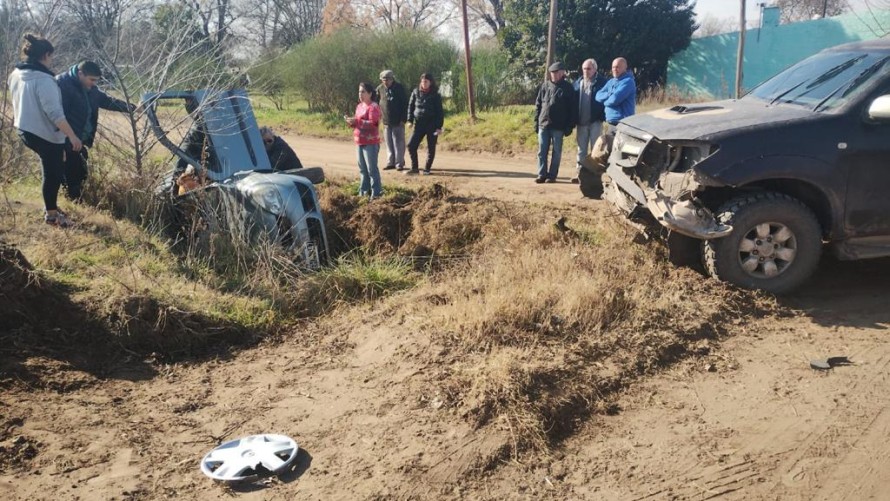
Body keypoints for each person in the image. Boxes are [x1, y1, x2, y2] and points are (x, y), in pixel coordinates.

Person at [8, 34, 82, 227]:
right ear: (46, 55)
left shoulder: (15, 74)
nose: (52, 61)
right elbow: (55, 114)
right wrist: (72, 136)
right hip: (44, 133)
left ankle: (51, 207)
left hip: (24, 129)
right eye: (51, 56)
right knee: (54, 173)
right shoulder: (44, 80)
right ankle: (52, 216)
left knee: (52, 166)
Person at [56, 60, 137, 201]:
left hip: (81, 140)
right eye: (91, 80)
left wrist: (132, 108)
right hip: (66, 140)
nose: (93, 83)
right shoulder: (62, 84)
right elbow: (56, 116)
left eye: (96, 81)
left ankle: (78, 203)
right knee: (70, 178)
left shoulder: (91, 88)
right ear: (80, 73)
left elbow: (107, 101)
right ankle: (71, 205)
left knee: (82, 176)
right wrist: (61, 143)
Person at [534, 62, 577, 184]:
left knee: (556, 152)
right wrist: (536, 121)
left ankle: (552, 176)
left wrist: (570, 125)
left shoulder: (568, 88)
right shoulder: (544, 86)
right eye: (552, 72)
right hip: (543, 124)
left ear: (562, 73)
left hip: (559, 126)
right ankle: (541, 174)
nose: (554, 75)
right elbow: (538, 104)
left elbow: (572, 109)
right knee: (542, 151)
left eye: (557, 72)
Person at [571, 58, 607, 184]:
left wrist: (602, 116)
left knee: (595, 150)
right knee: (581, 150)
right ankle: (579, 174)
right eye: (584, 68)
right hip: (581, 122)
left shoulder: (602, 82)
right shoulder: (577, 83)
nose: (586, 71)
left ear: (595, 69)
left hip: (595, 122)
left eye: (589, 68)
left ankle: (593, 176)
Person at [345, 82, 383, 199]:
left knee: (372, 169)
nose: (360, 94)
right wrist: (351, 122)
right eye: (359, 92)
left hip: (370, 142)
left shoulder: (374, 107)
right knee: (363, 169)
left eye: (363, 92)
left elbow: (374, 124)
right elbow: (359, 123)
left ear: (370, 94)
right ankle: (363, 192)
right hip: (359, 141)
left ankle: (376, 193)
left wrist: (356, 122)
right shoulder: (359, 106)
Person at [406, 73, 444, 176]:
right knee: (411, 145)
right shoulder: (415, 92)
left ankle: (427, 169)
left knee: (431, 147)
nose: (424, 83)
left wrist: (439, 127)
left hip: (432, 125)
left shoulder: (435, 95)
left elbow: (440, 112)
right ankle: (414, 168)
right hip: (419, 124)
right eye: (422, 81)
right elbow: (410, 107)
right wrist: (409, 120)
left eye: (426, 81)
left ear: (430, 83)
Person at [376, 70, 408, 171]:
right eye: (384, 80)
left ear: (392, 79)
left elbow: (405, 104)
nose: (386, 82)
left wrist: (404, 119)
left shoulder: (399, 88)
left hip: (398, 121)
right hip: (386, 121)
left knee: (398, 143)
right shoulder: (380, 89)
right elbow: (375, 102)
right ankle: (391, 162)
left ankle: (399, 163)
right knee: (389, 143)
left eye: (388, 79)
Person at [596, 57, 636, 132]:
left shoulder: (628, 82)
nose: (615, 69)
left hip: (623, 123)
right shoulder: (611, 82)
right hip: (611, 123)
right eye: (613, 67)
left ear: (624, 68)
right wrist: (609, 94)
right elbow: (598, 95)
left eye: (617, 67)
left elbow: (615, 99)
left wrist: (605, 103)